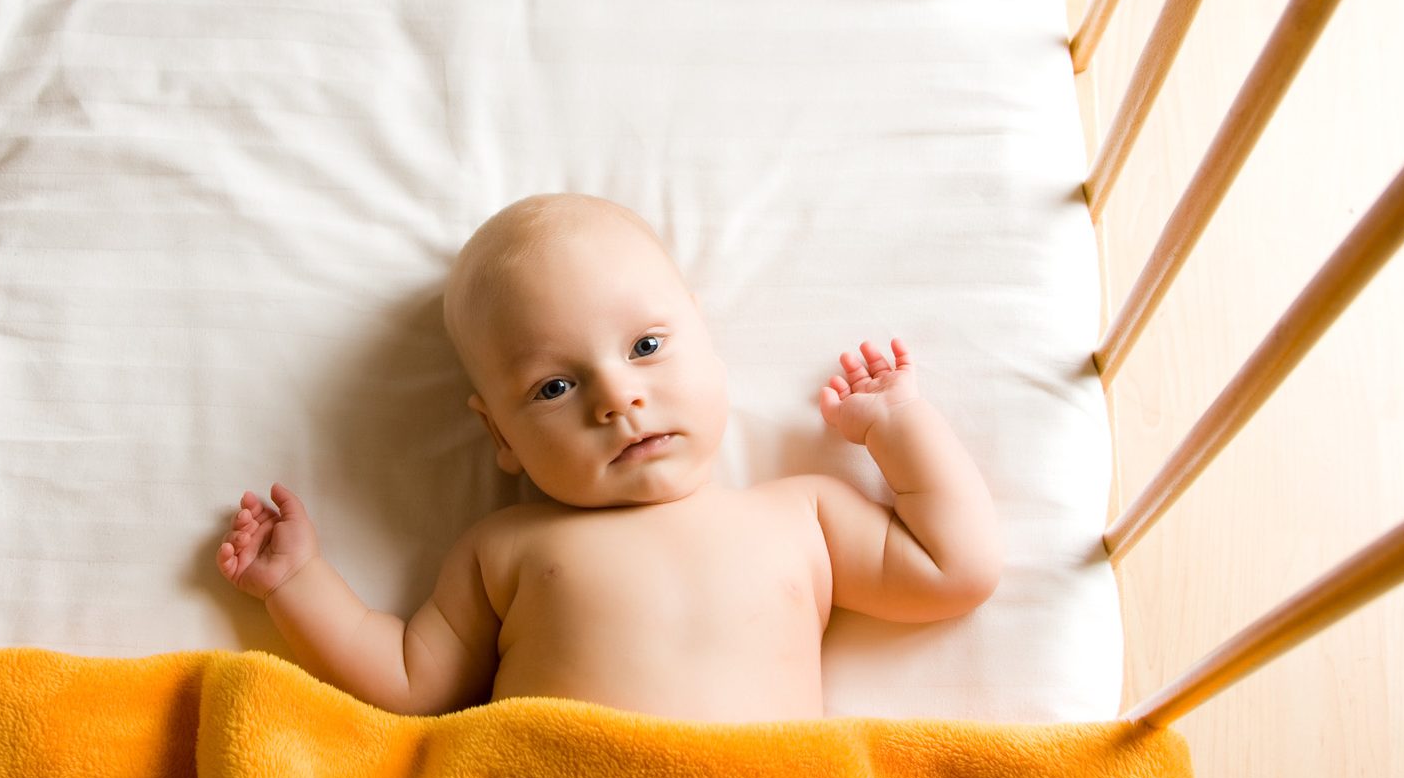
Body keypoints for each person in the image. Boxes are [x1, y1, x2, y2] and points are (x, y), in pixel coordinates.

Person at [217, 193, 1002, 722]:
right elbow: (408, 681)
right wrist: (297, 583)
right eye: (554, 386)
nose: (616, 398)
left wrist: (897, 424)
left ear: (705, 336)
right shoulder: (504, 549)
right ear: (501, 438)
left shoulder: (802, 514)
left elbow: (953, 568)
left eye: (647, 346)